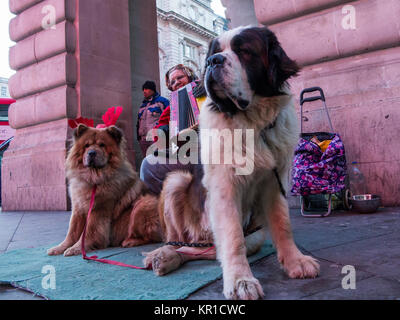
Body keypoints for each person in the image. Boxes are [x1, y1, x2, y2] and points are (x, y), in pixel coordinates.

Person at [140, 65, 206, 194]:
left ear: (190, 76)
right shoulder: (170, 110)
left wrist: (209, 89)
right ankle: (164, 208)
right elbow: (159, 140)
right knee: (148, 165)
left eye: (180, 77)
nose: (177, 83)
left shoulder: (207, 90)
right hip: (186, 153)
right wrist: (163, 131)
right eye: (172, 82)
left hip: (216, 144)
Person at [136, 80, 169, 156]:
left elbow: (170, 117)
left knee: (158, 159)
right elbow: (138, 122)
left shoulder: (162, 101)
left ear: (152, 90)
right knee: (147, 161)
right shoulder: (142, 105)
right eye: (143, 89)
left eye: (146, 89)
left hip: (156, 137)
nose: (144, 91)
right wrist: (139, 137)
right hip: (143, 139)